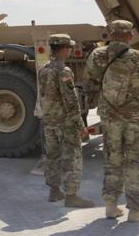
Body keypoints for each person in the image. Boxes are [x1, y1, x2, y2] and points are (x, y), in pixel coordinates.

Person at [85, 19, 139, 223]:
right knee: (138, 161)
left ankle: (111, 206)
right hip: (135, 119)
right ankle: (136, 211)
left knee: (112, 159)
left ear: (110, 34)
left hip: (109, 117)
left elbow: (91, 78)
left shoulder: (97, 56)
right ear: (130, 35)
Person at [37, 34, 95, 208]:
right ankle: (71, 196)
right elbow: (71, 102)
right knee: (72, 157)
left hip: (49, 122)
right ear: (63, 49)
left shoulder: (44, 69)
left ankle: (54, 191)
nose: (70, 50)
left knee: (52, 156)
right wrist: (81, 126)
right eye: (68, 47)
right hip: (64, 123)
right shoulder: (64, 71)